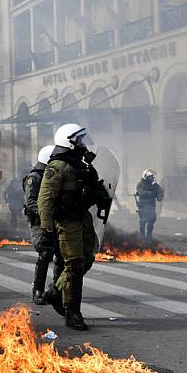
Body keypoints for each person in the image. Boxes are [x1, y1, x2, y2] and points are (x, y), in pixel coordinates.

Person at [37, 123, 109, 331]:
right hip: (67, 222)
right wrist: (46, 226)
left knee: (87, 259)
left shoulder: (81, 164)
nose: (84, 143)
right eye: (79, 139)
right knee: (75, 265)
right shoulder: (57, 166)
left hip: (82, 218)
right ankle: (72, 312)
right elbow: (45, 199)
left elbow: (92, 187)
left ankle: (54, 292)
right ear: (69, 141)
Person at [23, 145, 65, 305]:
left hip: (55, 220)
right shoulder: (34, 178)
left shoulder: (52, 175)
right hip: (39, 222)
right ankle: (37, 290)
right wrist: (47, 213)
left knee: (60, 255)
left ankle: (56, 290)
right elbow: (31, 203)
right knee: (45, 254)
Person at [135, 169, 164, 243]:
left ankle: (149, 237)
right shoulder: (141, 184)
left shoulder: (154, 185)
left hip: (151, 206)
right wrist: (151, 193)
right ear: (146, 177)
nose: (152, 178)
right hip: (143, 206)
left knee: (151, 221)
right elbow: (141, 193)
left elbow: (159, 195)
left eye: (152, 177)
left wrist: (158, 193)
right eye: (150, 177)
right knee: (143, 222)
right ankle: (142, 237)